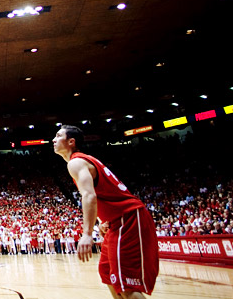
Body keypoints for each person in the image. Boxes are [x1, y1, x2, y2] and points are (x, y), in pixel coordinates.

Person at [53, 125, 159, 298]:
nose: (54, 140)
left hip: (128, 218)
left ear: (71, 142)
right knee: (108, 274)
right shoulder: (83, 161)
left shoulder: (76, 162)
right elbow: (105, 192)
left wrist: (87, 233)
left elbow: (89, 195)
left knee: (126, 285)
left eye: (58, 136)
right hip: (116, 221)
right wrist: (103, 219)